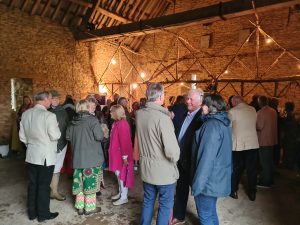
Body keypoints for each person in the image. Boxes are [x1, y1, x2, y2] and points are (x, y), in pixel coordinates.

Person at [136, 83, 180, 225]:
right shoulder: (163, 119)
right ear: (161, 97)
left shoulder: (140, 114)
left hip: (147, 168)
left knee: (148, 201)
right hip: (163, 172)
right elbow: (172, 151)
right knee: (166, 205)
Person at [19, 91, 61, 222]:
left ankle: (32, 213)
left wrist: (32, 146)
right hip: (45, 156)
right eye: (49, 99)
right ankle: (43, 214)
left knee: (33, 184)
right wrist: (57, 128)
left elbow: (22, 137)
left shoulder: (25, 114)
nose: (50, 101)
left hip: (31, 154)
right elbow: (55, 136)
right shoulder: (49, 116)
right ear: (44, 100)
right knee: (43, 185)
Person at [191, 94, 232, 225]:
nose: (202, 107)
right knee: (210, 211)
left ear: (209, 107)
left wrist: (198, 185)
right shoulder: (223, 122)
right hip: (217, 177)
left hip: (208, 182)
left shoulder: (211, 126)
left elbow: (206, 159)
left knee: (205, 215)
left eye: (204, 104)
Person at [66, 100, 104, 215]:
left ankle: (80, 207)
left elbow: (67, 137)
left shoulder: (72, 122)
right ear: (87, 108)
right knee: (90, 183)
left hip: (77, 158)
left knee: (79, 183)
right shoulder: (92, 120)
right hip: (91, 158)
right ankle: (90, 208)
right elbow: (99, 136)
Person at [172, 89, 203, 225]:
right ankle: (179, 216)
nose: (187, 101)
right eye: (187, 99)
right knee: (181, 189)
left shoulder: (202, 118)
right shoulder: (185, 114)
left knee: (199, 194)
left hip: (194, 162)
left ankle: (204, 219)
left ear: (200, 101)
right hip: (182, 160)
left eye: (191, 99)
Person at [228, 96, 259, 201]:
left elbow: (228, 127)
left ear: (235, 101)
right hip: (252, 144)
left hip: (238, 145)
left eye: (232, 103)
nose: (232, 105)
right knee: (252, 169)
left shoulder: (232, 111)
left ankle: (234, 191)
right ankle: (252, 193)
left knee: (236, 168)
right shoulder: (253, 109)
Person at [109, 104, 134, 206]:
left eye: (111, 111)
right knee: (118, 175)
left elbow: (125, 142)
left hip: (121, 155)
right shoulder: (117, 123)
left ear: (116, 113)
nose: (110, 113)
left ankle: (124, 197)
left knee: (122, 175)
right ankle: (121, 193)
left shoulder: (122, 124)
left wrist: (125, 156)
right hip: (116, 154)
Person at [48, 90, 69, 201]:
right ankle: (50, 190)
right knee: (49, 167)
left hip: (60, 143)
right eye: (53, 98)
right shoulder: (47, 111)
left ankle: (54, 191)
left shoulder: (62, 111)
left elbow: (64, 126)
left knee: (56, 167)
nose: (55, 100)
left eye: (57, 98)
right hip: (49, 144)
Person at [256, 96, 277, 188]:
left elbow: (259, 127)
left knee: (264, 162)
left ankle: (266, 182)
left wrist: (253, 125)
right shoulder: (273, 111)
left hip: (263, 140)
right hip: (272, 139)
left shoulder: (260, 112)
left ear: (260, 102)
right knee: (269, 161)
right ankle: (271, 180)